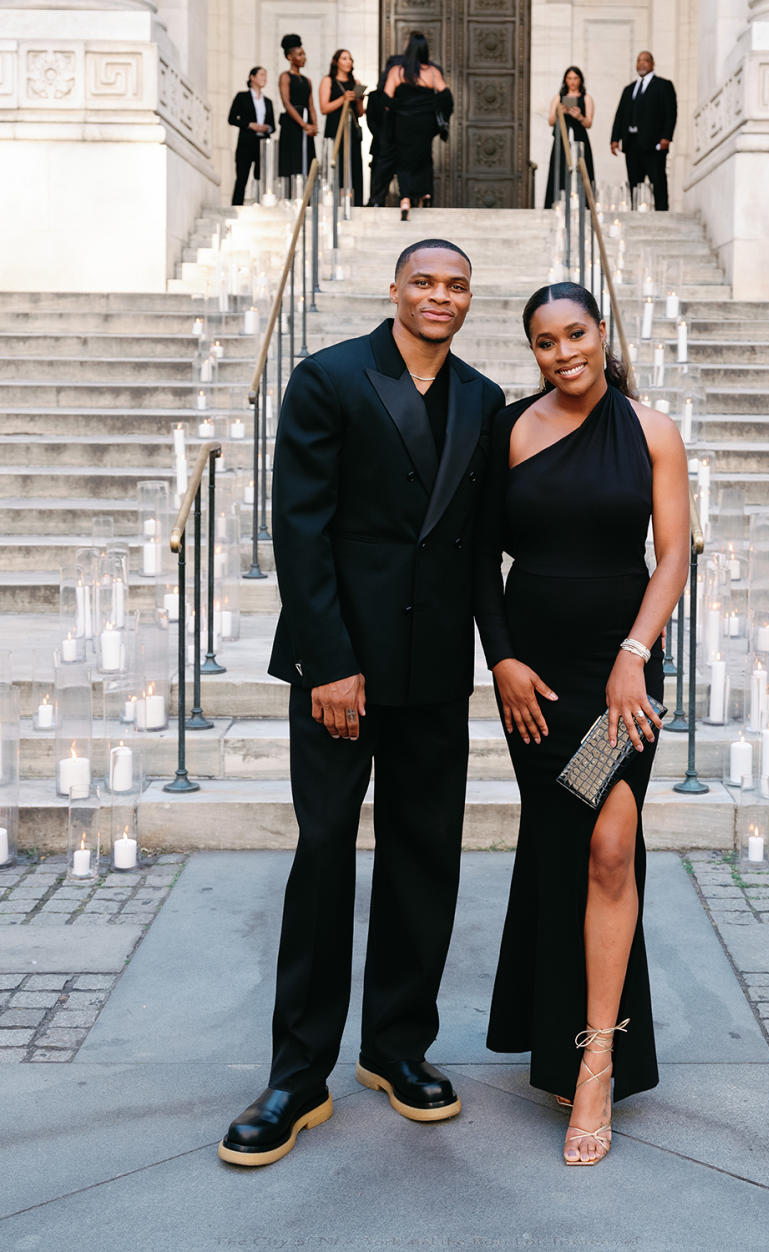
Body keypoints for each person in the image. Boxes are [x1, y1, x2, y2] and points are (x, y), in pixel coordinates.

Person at [218, 240, 504, 1168]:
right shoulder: (329, 377)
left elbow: (479, 546)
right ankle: (297, 1076)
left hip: (432, 674)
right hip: (340, 671)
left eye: (456, 286)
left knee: (426, 860)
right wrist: (329, 662)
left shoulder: (485, 399)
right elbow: (300, 531)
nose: (440, 296)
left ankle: (396, 1048)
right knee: (324, 857)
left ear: (469, 302)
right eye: (425, 281)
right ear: (395, 289)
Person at [474, 282, 689, 1166]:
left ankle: (596, 1057)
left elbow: (673, 553)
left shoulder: (651, 431)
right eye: (544, 342)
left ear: (603, 333)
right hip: (536, 680)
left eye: (576, 334)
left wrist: (636, 653)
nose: (563, 353)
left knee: (610, 848)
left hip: (620, 679)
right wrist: (501, 659)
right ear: (531, 351)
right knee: (562, 844)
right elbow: (477, 556)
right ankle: (557, 1023)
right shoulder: (510, 429)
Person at [383, 31, 453, 221]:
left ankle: (405, 199)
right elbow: (446, 96)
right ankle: (424, 194)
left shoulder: (397, 71)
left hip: (403, 123)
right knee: (423, 159)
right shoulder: (432, 72)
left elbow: (386, 98)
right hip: (424, 123)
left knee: (403, 161)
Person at [610, 51, 677, 211]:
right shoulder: (629, 89)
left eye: (645, 60)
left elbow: (671, 113)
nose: (641, 64)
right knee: (634, 182)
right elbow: (620, 115)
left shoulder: (663, 85)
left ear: (652, 64)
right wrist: (614, 138)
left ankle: (662, 212)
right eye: (639, 61)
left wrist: (666, 137)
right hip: (632, 143)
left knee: (658, 180)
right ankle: (635, 211)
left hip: (653, 143)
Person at [544, 67, 595, 209]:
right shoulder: (558, 98)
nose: (572, 82)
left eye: (575, 78)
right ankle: (557, 202)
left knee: (582, 168)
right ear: (565, 80)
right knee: (559, 169)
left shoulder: (586, 98)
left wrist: (578, 116)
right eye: (569, 78)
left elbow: (589, 123)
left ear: (580, 80)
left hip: (579, 139)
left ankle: (584, 204)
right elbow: (550, 121)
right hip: (561, 139)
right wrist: (560, 111)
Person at [319, 48, 364, 205]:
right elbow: (324, 108)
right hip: (335, 128)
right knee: (337, 163)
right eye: (344, 58)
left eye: (350, 59)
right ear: (336, 61)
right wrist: (343, 99)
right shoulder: (328, 81)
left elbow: (360, 113)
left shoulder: (355, 82)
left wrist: (360, 99)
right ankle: (334, 200)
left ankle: (354, 201)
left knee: (353, 165)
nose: (348, 62)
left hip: (351, 129)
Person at [277, 33, 318, 197]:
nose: (304, 57)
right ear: (290, 57)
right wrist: (303, 124)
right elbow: (286, 103)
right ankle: (289, 195)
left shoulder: (307, 80)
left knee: (308, 160)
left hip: (306, 123)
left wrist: (314, 125)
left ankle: (307, 196)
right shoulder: (285, 77)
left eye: (304, 54)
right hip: (292, 123)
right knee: (291, 159)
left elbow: (311, 104)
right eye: (300, 54)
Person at [228, 68, 275, 206]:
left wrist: (266, 127)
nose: (264, 78)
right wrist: (250, 125)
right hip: (246, 142)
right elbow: (232, 118)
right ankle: (236, 205)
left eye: (265, 75)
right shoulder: (242, 97)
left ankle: (261, 202)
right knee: (242, 176)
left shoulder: (268, 102)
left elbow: (273, 124)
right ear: (252, 77)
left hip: (262, 142)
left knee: (261, 176)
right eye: (261, 75)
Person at [365, 54, 404, 206]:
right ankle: (375, 201)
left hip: (403, 144)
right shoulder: (375, 96)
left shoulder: (406, 96)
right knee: (379, 182)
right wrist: (383, 136)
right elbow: (371, 121)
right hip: (381, 144)